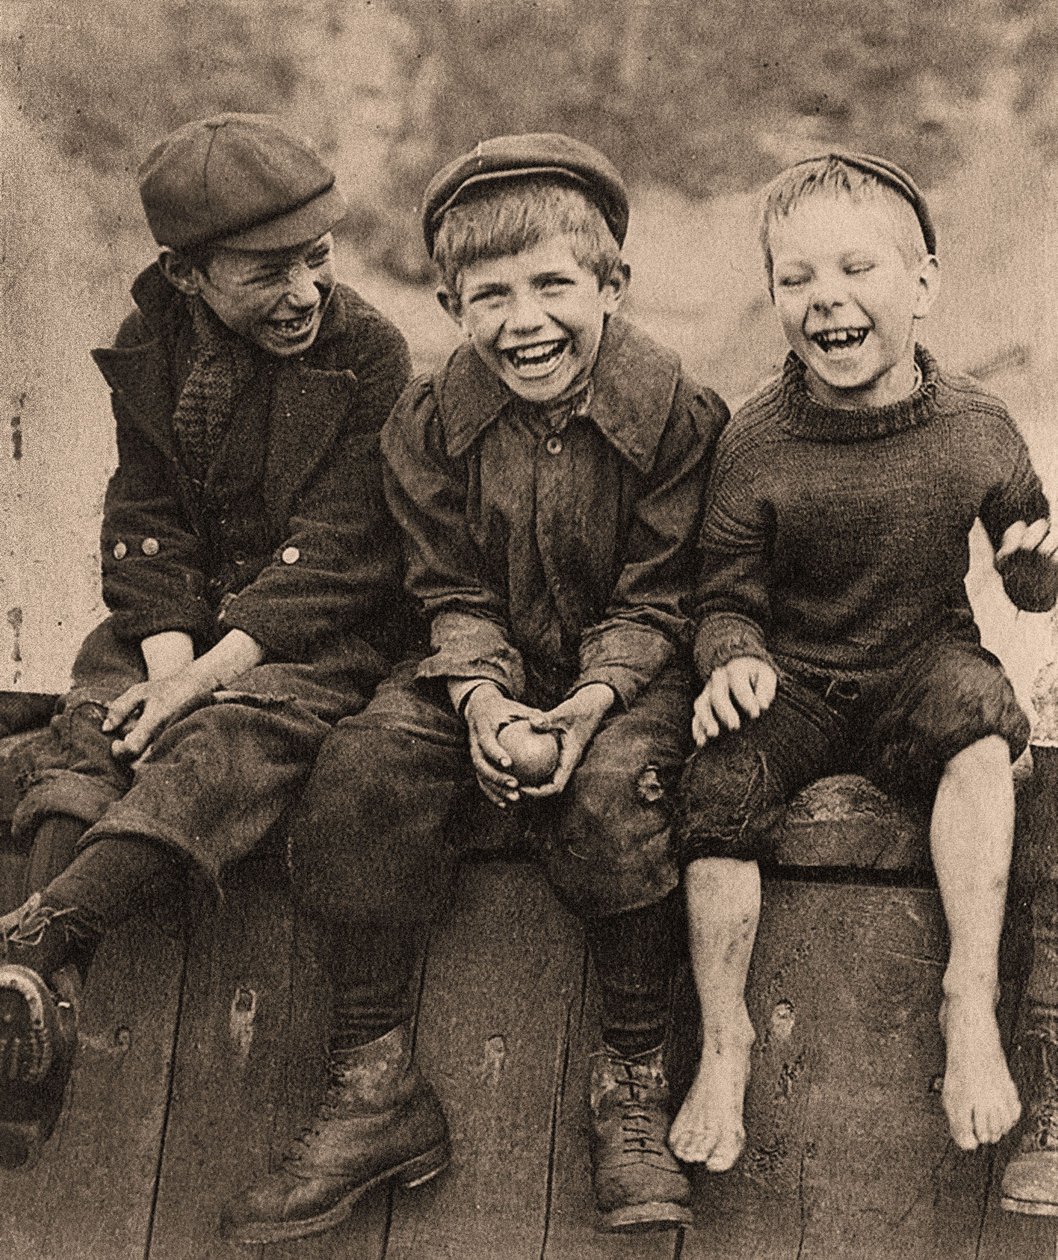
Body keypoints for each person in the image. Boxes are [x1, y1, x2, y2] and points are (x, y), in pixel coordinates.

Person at [218, 132, 729, 1244]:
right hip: (474, 670)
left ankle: (631, 1083)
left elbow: (658, 601)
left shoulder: (679, 417)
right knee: (362, 771)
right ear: (450, 303)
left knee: (612, 797)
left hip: (624, 678)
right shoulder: (428, 417)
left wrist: (586, 705)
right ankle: (374, 1086)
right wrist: (485, 705)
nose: (523, 321)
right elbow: (446, 587)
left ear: (611, 284)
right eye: (488, 295)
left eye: (553, 285)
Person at [0, 112, 411, 1170]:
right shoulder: (153, 345)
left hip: (316, 639)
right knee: (99, 721)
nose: (304, 294)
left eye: (316, 261)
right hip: (182, 629)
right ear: (187, 276)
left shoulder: (366, 353)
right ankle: (30, 1013)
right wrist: (166, 666)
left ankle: (48, 940)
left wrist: (204, 686)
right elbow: (147, 513)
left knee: (231, 744)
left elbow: (342, 553)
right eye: (267, 274)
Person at [666, 152, 1058, 1175]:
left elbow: (1030, 572)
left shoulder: (975, 426)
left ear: (921, 284)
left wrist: (1035, 565)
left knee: (980, 719)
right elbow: (722, 595)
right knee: (715, 770)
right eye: (794, 281)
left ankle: (964, 1003)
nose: (826, 301)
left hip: (917, 665)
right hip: (791, 681)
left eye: (855, 271)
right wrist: (734, 660)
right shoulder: (753, 439)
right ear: (772, 299)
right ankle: (724, 1041)